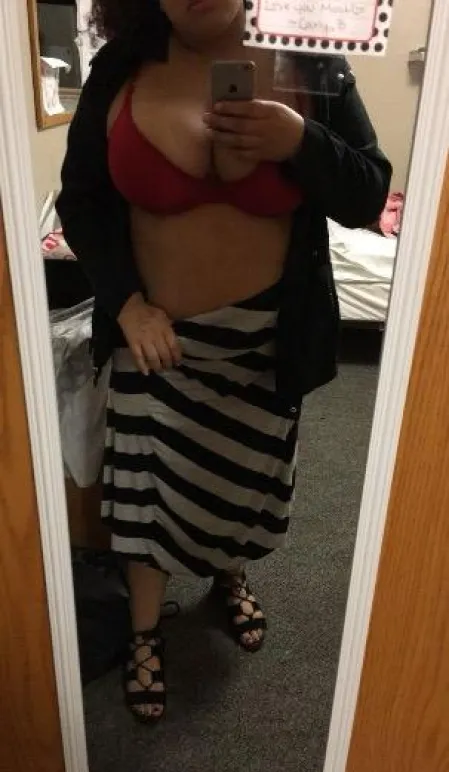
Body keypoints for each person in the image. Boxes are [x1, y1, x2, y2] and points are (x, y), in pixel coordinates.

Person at [56, 0, 391, 722]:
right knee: (143, 494)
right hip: (154, 339)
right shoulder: (121, 67)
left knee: (239, 485)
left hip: (265, 345)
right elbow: (78, 202)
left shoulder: (312, 61)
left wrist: (299, 140)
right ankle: (144, 633)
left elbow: (368, 191)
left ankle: (227, 575)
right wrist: (126, 305)